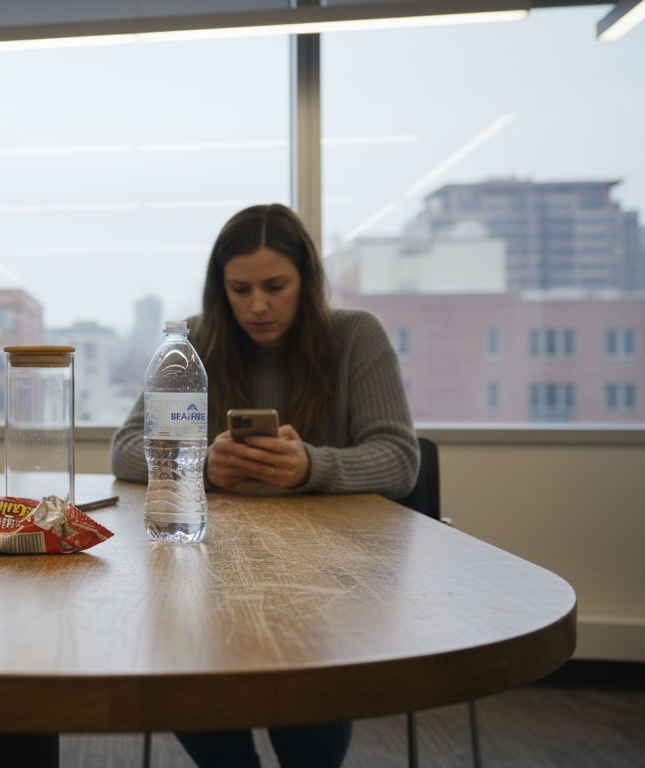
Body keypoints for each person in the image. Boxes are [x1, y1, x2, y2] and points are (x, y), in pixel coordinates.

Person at [110, 203, 419, 768]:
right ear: (219, 288)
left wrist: (311, 468)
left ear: (307, 280)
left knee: (306, 686)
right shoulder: (196, 342)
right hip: (216, 567)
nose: (257, 305)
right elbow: (126, 448)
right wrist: (203, 465)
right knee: (184, 657)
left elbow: (400, 459)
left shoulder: (355, 337)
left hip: (327, 572)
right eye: (239, 288)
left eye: (276, 286)